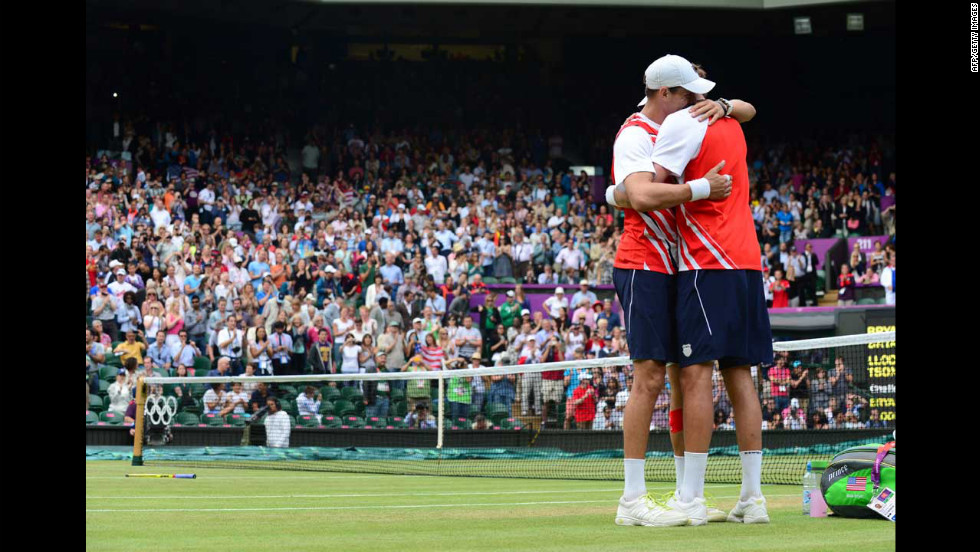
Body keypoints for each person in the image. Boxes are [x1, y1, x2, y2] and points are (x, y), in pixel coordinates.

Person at [606, 55, 758, 527]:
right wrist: (700, 188)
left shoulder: (683, 124)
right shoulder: (634, 134)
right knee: (648, 377)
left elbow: (748, 109)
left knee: (678, 380)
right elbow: (645, 194)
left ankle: (682, 496)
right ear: (666, 94)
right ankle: (632, 501)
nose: (698, 100)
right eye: (689, 92)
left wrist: (727, 105)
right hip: (643, 266)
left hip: (676, 268)